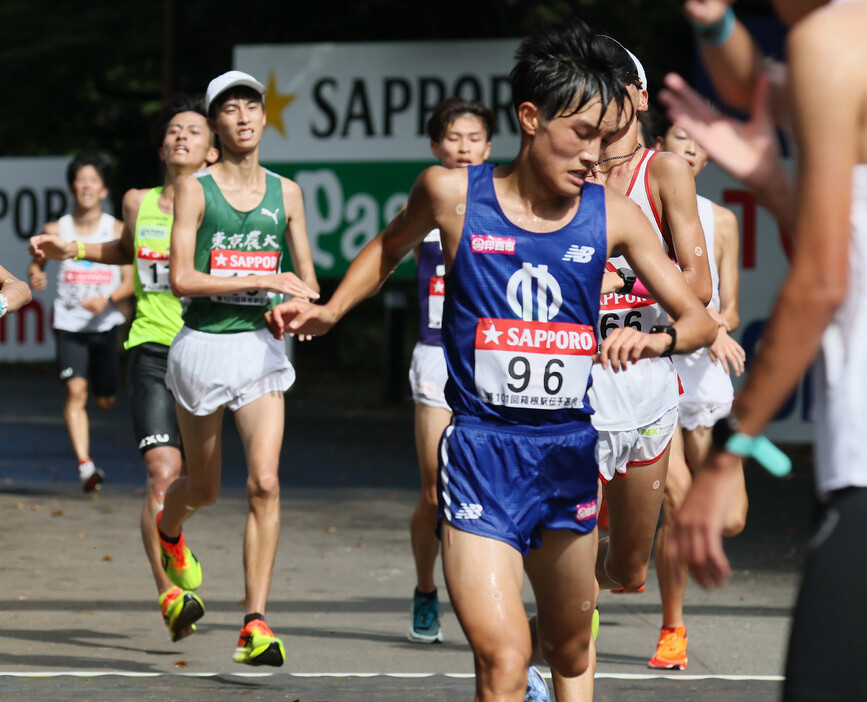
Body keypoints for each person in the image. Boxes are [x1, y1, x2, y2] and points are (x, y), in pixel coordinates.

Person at [266, 18, 716, 702]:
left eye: (605, 139)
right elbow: (389, 247)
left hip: (567, 455)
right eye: (581, 135)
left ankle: (545, 661)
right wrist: (329, 310)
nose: (595, 156)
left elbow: (698, 315)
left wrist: (653, 341)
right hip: (480, 452)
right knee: (500, 661)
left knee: (567, 648)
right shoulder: (453, 196)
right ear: (530, 118)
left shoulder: (613, 215)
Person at [661, 1, 867, 699]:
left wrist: (729, 453)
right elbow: (761, 90)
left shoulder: (833, 41)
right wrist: (777, 187)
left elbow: (818, 284)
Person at [29, 94, 219, 642]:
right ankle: (170, 595)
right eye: (174, 131)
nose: (182, 137)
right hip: (154, 349)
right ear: (162, 146)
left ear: (211, 152)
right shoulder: (137, 201)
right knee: (161, 471)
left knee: (203, 484)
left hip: (210, 351)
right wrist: (74, 250)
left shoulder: (222, 204)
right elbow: (127, 251)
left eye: (195, 132)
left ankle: (175, 536)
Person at [156, 71, 320, 667]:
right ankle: (169, 529)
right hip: (201, 346)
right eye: (231, 108)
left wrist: (294, 305)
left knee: (265, 483)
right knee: (205, 487)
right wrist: (260, 277)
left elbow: (307, 281)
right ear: (217, 127)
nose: (245, 115)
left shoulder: (289, 193)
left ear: (262, 119)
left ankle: (255, 622)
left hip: (259, 352)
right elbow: (182, 280)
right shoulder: (196, 190)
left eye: (252, 105)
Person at [584, 39, 712, 605]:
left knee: (627, 569)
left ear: (636, 98)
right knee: (567, 558)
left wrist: (627, 282)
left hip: (645, 383)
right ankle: (540, 669)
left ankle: (542, 643)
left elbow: (700, 286)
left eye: (609, 89)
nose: (595, 102)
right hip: (573, 384)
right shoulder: (570, 171)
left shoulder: (663, 171)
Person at [645, 113, 748, 670]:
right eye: (680, 140)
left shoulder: (722, 221)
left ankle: (620, 548)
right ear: (661, 147)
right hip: (656, 367)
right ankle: (673, 627)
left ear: (707, 160)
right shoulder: (636, 210)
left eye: (699, 146)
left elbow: (727, 304)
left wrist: (718, 329)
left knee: (729, 518)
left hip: (706, 371)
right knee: (680, 505)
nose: (689, 151)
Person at [407, 96, 495, 645]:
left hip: (494, 355)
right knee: (435, 492)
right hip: (436, 355)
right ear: (437, 147)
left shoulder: (505, 205)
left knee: (489, 487)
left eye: (474, 138)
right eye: (453, 138)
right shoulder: (426, 205)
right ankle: (425, 588)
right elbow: (380, 255)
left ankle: (485, 598)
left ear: (490, 146)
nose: (464, 147)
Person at [27, 153, 133, 492]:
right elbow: (36, 267)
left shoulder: (116, 229)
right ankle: (86, 467)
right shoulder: (55, 230)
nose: (86, 185)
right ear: (73, 187)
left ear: (103, 190)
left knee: (104, 398)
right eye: (81, 179)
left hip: (104, 326)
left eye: (93, 180)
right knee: (76, 391)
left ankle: (104, 395)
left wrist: (108, 299)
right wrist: (35, 276)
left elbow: (132, 280)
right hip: (68, 325)